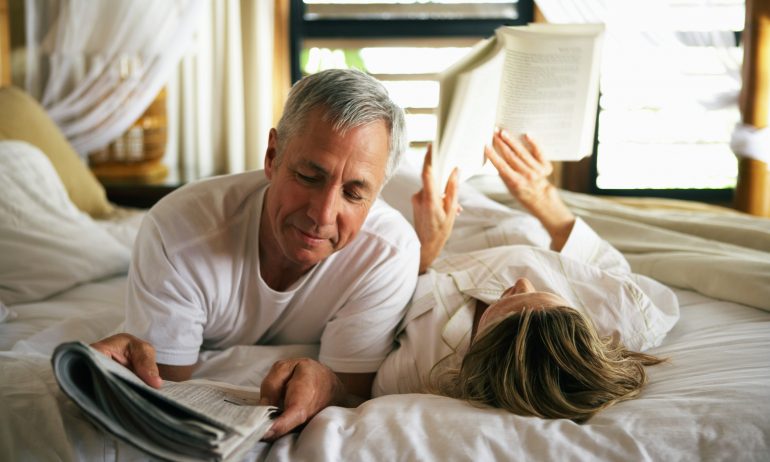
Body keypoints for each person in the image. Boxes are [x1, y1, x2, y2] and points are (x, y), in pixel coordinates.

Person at [91, 68, 421, 440]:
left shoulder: (388, 254)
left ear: (375, 195)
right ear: (272, 155)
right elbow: (165, 387)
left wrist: (329, 383)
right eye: (310, 177)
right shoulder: (178, 229)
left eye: (354, 193)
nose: (322, 215)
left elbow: (351, 389)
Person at [373, 129, 680, 422]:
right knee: (391, 159)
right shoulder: (628, 316)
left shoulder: (417, 369)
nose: (522, 283)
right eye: (543, 293)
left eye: (507, 300)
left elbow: (370, 320)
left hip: (410, 260)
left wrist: (425, 249)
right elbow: (597, 260)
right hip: (494, 230)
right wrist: (540, 195)